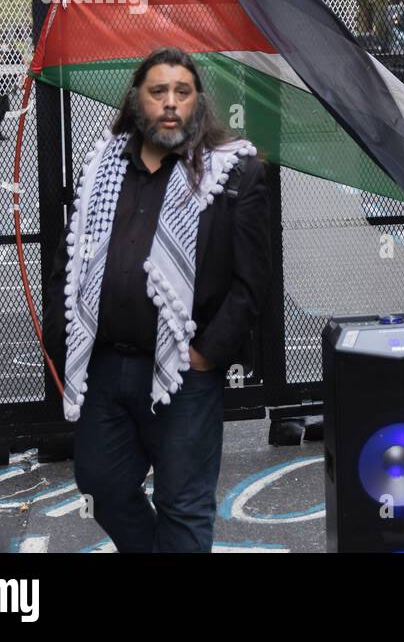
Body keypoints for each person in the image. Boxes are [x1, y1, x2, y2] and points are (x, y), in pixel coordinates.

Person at [42, 47, 271, 552]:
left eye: (182, 93)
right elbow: (70, 261)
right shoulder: (101, 168)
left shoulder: (233, 174)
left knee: (183, 506)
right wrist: (65, 342)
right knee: (101, 487)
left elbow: (251, 284)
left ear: (198, 104)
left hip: (184, 374)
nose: (170, 103)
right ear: (137, 100)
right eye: (158, 91)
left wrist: (207, 355)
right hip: (105, 369)